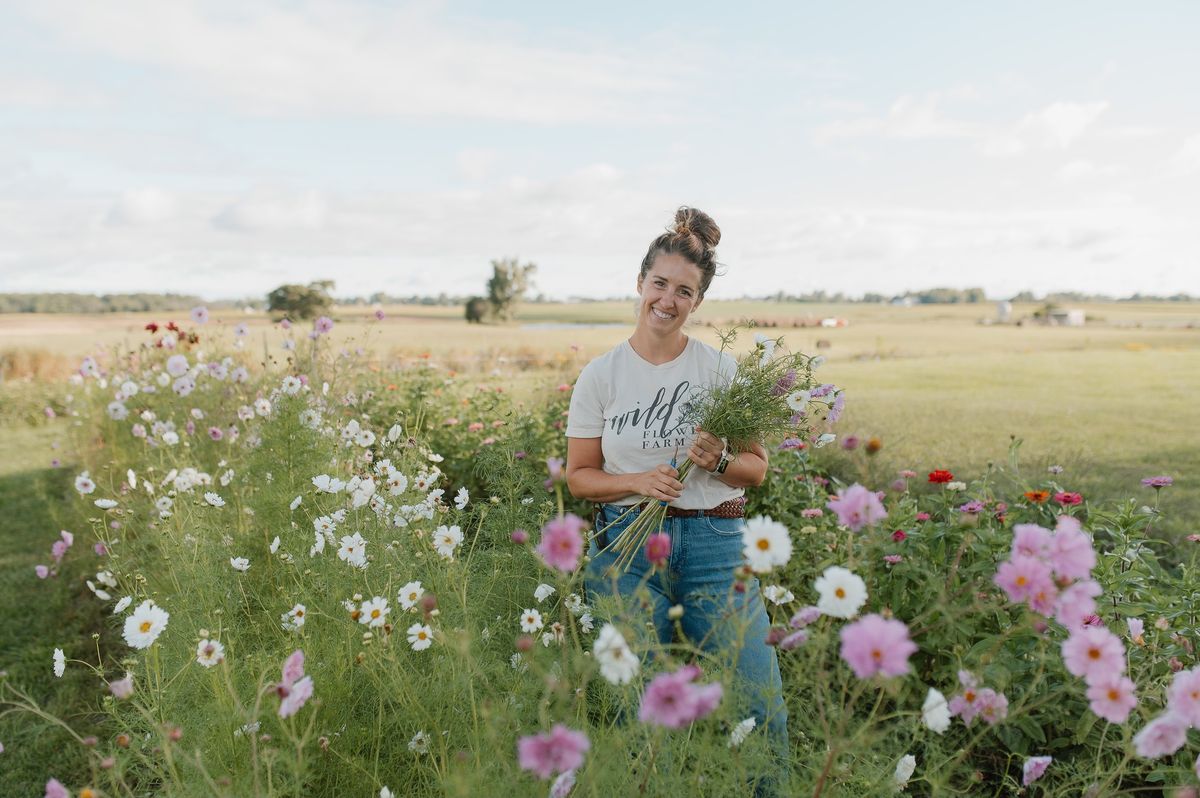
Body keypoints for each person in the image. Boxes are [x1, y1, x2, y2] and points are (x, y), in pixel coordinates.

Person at [565, 207, 788, 785]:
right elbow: (580, 476)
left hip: (716, 546)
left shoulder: (720, 371)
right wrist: (637, 482)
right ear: (640, 284)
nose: (667, 299)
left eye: (683, 291)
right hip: (627, 550)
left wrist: (715, 459)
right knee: (636, 709)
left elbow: (756, 470)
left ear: (697, 302)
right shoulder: (601, 376)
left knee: (760, 704)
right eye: (659, 284)